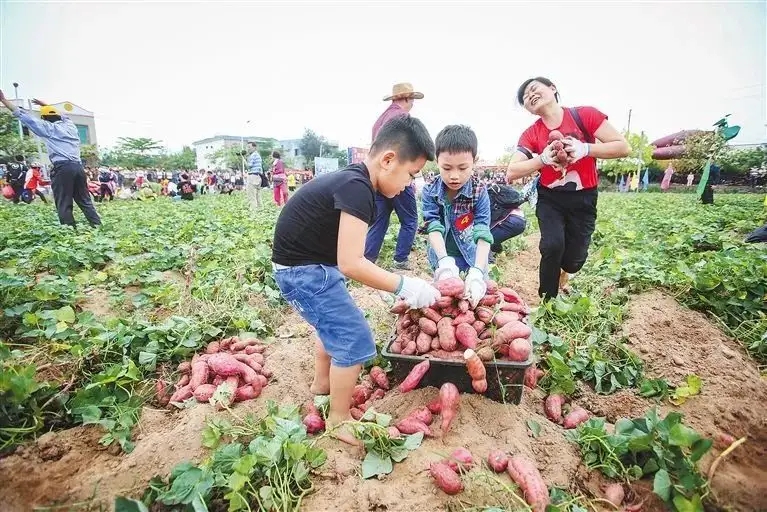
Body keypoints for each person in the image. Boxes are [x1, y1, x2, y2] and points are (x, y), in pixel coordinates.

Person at [271, 115, 439, 444]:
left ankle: (322, 385)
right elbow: (351, 263)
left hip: (307, 267)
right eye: (411, 175)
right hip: (303, 273)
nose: (410, 185)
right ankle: (338, 419)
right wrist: (404, 285)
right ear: (389, 160)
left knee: (331, 325)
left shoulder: (357, 182)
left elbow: (346, 257)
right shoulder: (358, 188)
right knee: (354, 337)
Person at [506, 77, 630, 299]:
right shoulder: (531, 134)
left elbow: (623, 147)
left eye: (534, 89)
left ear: (553, 89)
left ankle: (566, 272)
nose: (530, 96)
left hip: (584, 198)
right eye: (525, 97)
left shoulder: (585, 115)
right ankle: (548, 302)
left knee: (573, 261)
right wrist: (542, 159)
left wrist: (585, 149)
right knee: (552, 246)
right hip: (550, 198)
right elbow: (512, 171)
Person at [0, 92, 101, 227]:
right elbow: (64, 116)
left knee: (63, 202)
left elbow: (26, 118)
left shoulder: (48, 128)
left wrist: (4, 101)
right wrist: (45, 105)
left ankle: (69, 230)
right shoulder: (71, 126)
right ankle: (97, 225)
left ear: (45, 118)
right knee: (85, 200)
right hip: (78, 167)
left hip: (62, 168)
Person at [421, 125, 493, 307]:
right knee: (446, 303)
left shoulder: (479, 191)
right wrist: (444, 261)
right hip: (441, 255)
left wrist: (477, 271)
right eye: (446, 168)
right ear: (437, 161)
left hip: (472, 255)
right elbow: (433, 227)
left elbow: (483, 232)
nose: (454, 176)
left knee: (477, 302)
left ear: (474, 161)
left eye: (462, 168)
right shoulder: (430, 191)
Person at [364, 83, 424, 270]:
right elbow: (407, 152)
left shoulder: (381, 119)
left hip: (380, 176)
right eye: (412, 99)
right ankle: (400, 259)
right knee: (410, 219)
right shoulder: (402, 118)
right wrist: (415, 175)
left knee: (380, 219)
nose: (413, 103)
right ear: (406, 98)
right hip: (397, 176)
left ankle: (368, 259)